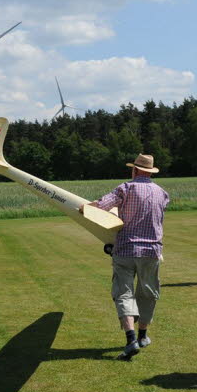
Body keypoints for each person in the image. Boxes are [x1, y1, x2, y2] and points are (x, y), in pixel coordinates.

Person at [81, 154, 170, 361]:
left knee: (124, 294)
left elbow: (101, 205)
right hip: (152, 251)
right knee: (148, 293)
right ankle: (143, 336)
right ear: (150, 171)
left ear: (135, 170)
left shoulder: (125, 188)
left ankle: (131, 340)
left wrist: (83, 208)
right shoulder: (162, 193)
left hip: (126, 249)